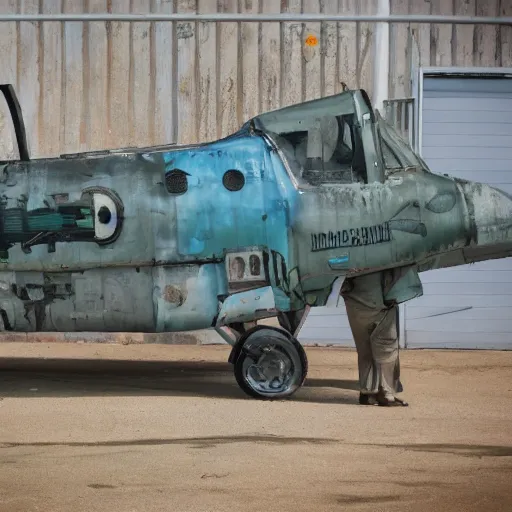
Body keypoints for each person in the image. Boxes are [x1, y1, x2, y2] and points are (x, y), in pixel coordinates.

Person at [340, 271, 408, 407]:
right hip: (380, 302)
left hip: (356, 302)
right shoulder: (382, 251)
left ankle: (368, 393)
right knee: (387, 348)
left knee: (365, 348)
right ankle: (386, 393)